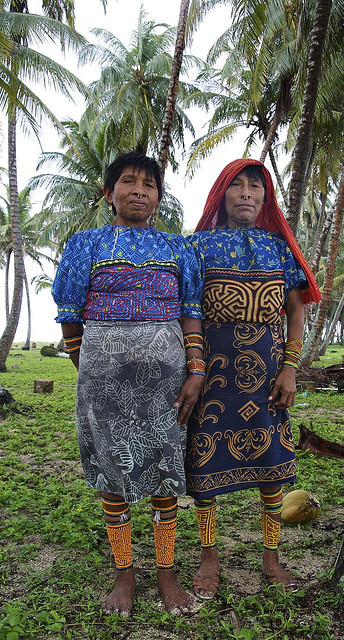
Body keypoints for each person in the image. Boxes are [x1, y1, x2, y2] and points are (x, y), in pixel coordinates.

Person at [52, 152, 205, 616]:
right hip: (103, 379)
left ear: (158, 197)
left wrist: (195, 369)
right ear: (108, 192)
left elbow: (190, 311)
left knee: (164, 469)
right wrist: (93, 371)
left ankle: (166, 573)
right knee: (111, 472)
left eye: (149, 185)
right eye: (128, 181)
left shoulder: (179, 248)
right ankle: (124, 575)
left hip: (167, 382)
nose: (139, 190)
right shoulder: (85, 245)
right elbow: (70, 314)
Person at [185, 158, 321, 599]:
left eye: (255, 187)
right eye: (237, 185)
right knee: (206, 465)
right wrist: (193, 369)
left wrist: (290, 368)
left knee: (271, 468)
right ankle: (209, 557)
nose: (247, 193)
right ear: (221, 193)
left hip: (267, 374)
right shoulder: (197, 248)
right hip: (212, 373)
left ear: (266, 198)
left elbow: (296, 311)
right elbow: (187, 313)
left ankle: (271, 556)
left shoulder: (279, 248)